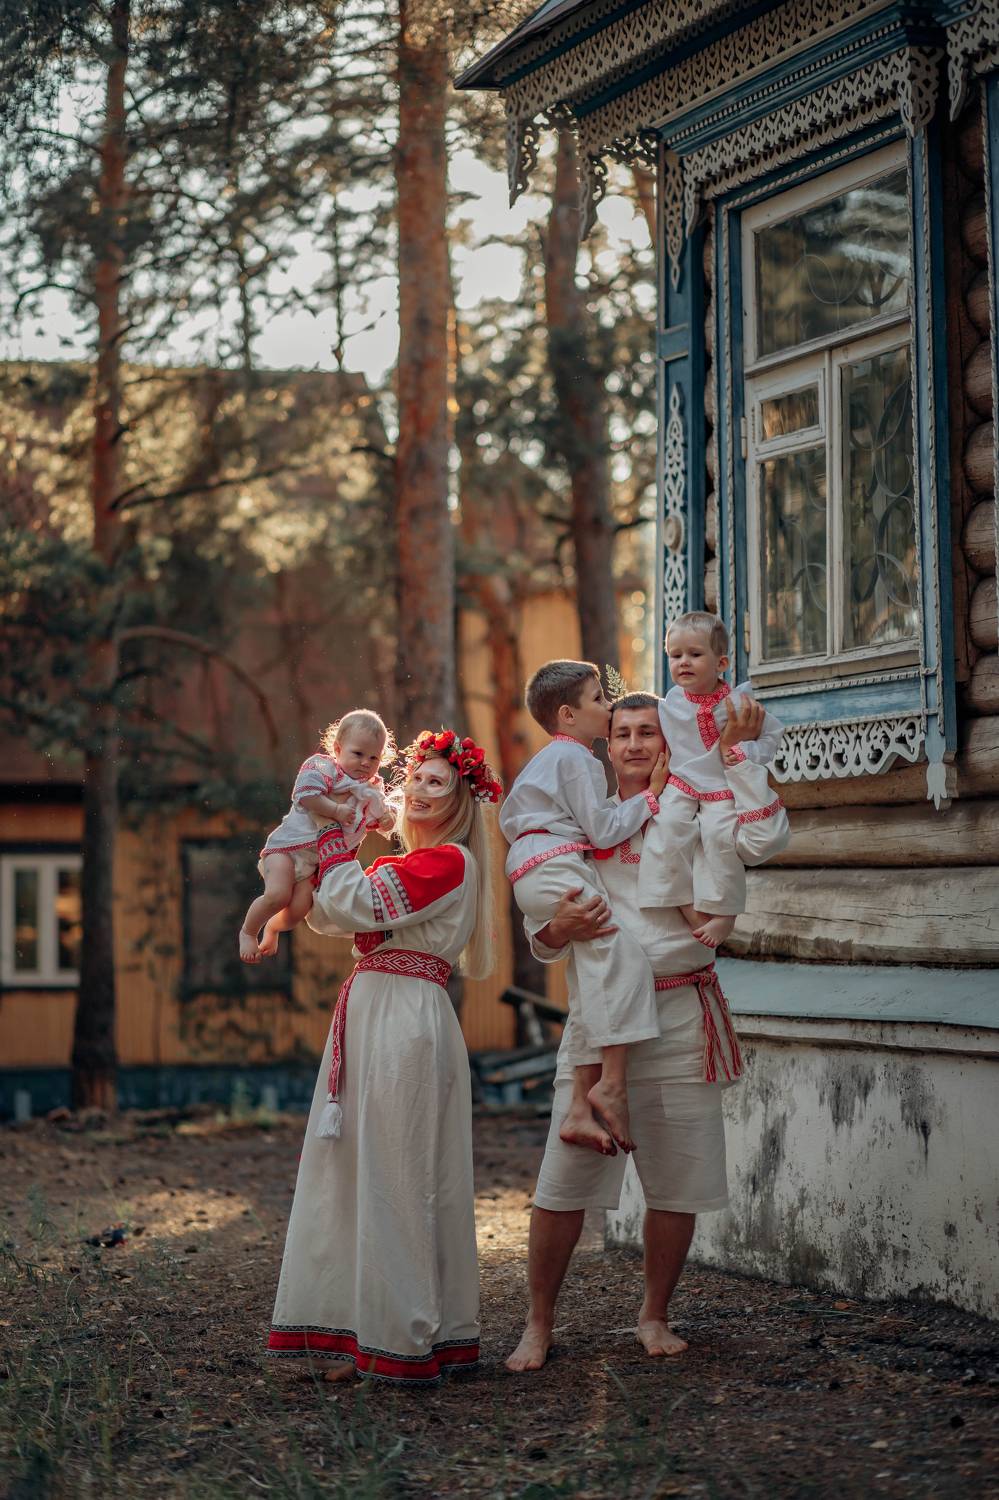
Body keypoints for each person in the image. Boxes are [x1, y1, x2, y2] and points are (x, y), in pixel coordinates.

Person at [507, 691, 789, 1373]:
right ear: (606, 748)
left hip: (681, 1013)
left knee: (676, 1182)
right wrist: (554, 930)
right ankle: (537, 1324)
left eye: (648, 733)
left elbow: (757, 845)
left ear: (668, 743)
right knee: (562, 1183)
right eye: (622, 733)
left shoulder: (696, 810)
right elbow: (544, 931)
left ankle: (654, 1314)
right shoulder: (585, 822)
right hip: (598, 1026)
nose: (634, 744)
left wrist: (738, 756)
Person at [266, 727, 501, 1385]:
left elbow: (355, 903)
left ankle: (403, 1335)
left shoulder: (447, 862)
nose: (418, 790)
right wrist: (324, 847)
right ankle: (363, 1329)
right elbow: (328, 914)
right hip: (377, 1010)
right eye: (415, 778)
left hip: (405, 1018)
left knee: (397, 1170)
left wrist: (330, 832)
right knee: (362, 1167)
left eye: (436, 783)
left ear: (459, 800)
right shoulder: (405, 863)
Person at [499, 660, 668, 1156]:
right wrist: (652, 798)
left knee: (595, 976)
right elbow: (603, 832)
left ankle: (579, 1107)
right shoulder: (577, 760)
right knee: (625, 961)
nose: (608, 706)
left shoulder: (553, 760)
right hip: (554, 865)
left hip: (535, 869)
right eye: (599, 699)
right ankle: (610, 1085)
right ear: (568, 715)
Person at [639, 612, 783, 948]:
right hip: (682, 784)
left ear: (721, 663)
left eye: (694, 654)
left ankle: (725, 911)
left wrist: (745, 752)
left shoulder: (739, 705)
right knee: (665, 826)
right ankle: (672, 896)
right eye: (675, 655)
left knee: (719, 840)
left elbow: (772, 736)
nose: (683, 662)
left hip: (721, 788)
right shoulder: (669, 703)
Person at [239, 709, 396, 964]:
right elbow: (306, 796)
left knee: (298, 910)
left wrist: (386, 819)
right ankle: (248, 931)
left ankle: (273, 928)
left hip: (313, 865)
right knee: (278, 895)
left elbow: (376, 817)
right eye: (358, 754)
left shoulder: (369, 790)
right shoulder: (323, 768)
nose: (366, 763)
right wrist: (334, 810)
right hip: (286, 850)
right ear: (337, 749)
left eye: (374, 757)